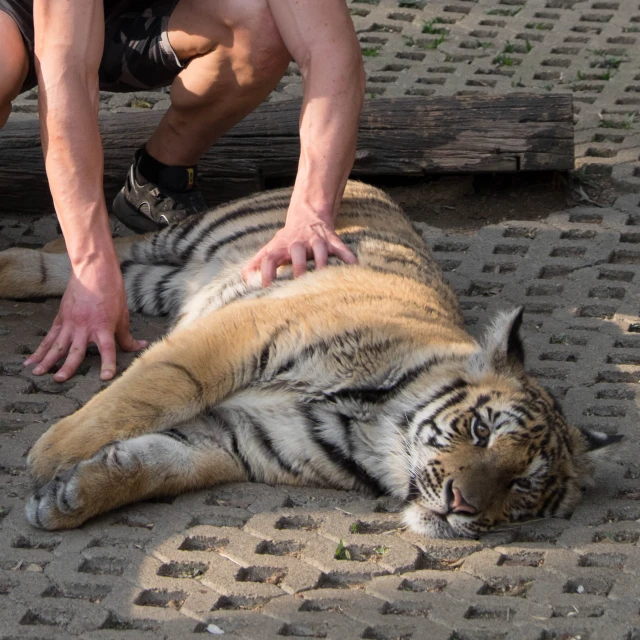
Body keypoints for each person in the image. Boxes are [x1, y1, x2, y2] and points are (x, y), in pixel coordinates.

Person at [0, 0, 364, 382]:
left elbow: (331, 52)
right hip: (23, 15)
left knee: (261, 28)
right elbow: (68, 73)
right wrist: (90, 265)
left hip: (148, 18)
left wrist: (311, 214)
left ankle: (158, 177)